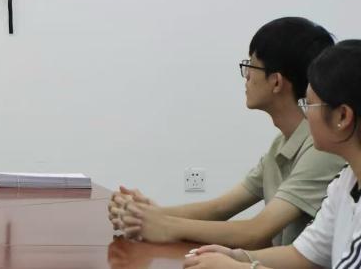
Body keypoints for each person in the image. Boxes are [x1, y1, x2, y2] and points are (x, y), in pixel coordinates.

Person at [111, 17, 343, 248]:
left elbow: (255, 231)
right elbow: (220, 208)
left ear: (276, 82)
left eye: (251, 66)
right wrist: (145, 214)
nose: (247, 76)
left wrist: (164, 225)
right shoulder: (282, 143)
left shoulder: (321, 149)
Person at [185, 39, 361, 269]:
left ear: (343, 117)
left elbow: (255, 231)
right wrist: (238, 257)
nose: (306, 115)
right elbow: (303, 255)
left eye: (309, 104)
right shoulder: (346, 180)